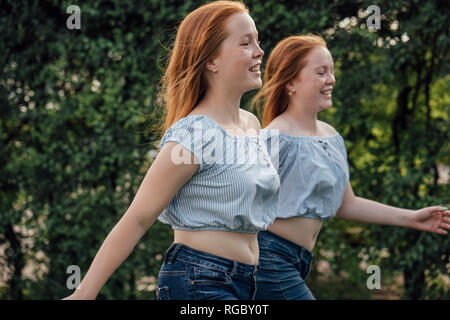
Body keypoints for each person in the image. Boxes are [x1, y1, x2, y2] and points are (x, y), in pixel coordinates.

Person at [62, 1, 280, 300]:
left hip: (249, 281)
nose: (259, 51)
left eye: (258, 41)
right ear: (211, 60)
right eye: (245, 43)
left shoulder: (252, 125)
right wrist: (82, 295)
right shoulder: (193, 134)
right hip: (199, 281)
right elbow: (137, 218)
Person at [251, 34, 450, 300]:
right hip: (268, 260)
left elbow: (346, 204)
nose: (331, 79)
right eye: (321, 72)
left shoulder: (330, 136)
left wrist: (412, 218)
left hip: (298, 262)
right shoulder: (274, 138)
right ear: (290, 82)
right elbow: (238, 203)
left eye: (332, 71)